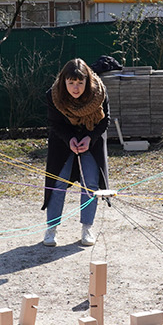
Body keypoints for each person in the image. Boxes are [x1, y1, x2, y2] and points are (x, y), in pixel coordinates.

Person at [40, 58, 110, 247]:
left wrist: (90, 138)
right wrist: (69, 139)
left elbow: (105, 121)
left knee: (91, 184)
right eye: (71, 83)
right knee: (58, 183)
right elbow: (54, 123)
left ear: (88, 81)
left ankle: (87, 228)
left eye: (80, 83)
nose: (76, 88)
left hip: (91, 142)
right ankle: (51, 229)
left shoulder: (100, 93)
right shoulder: (53, 96)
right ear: (64, 82)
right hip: (63, 143)